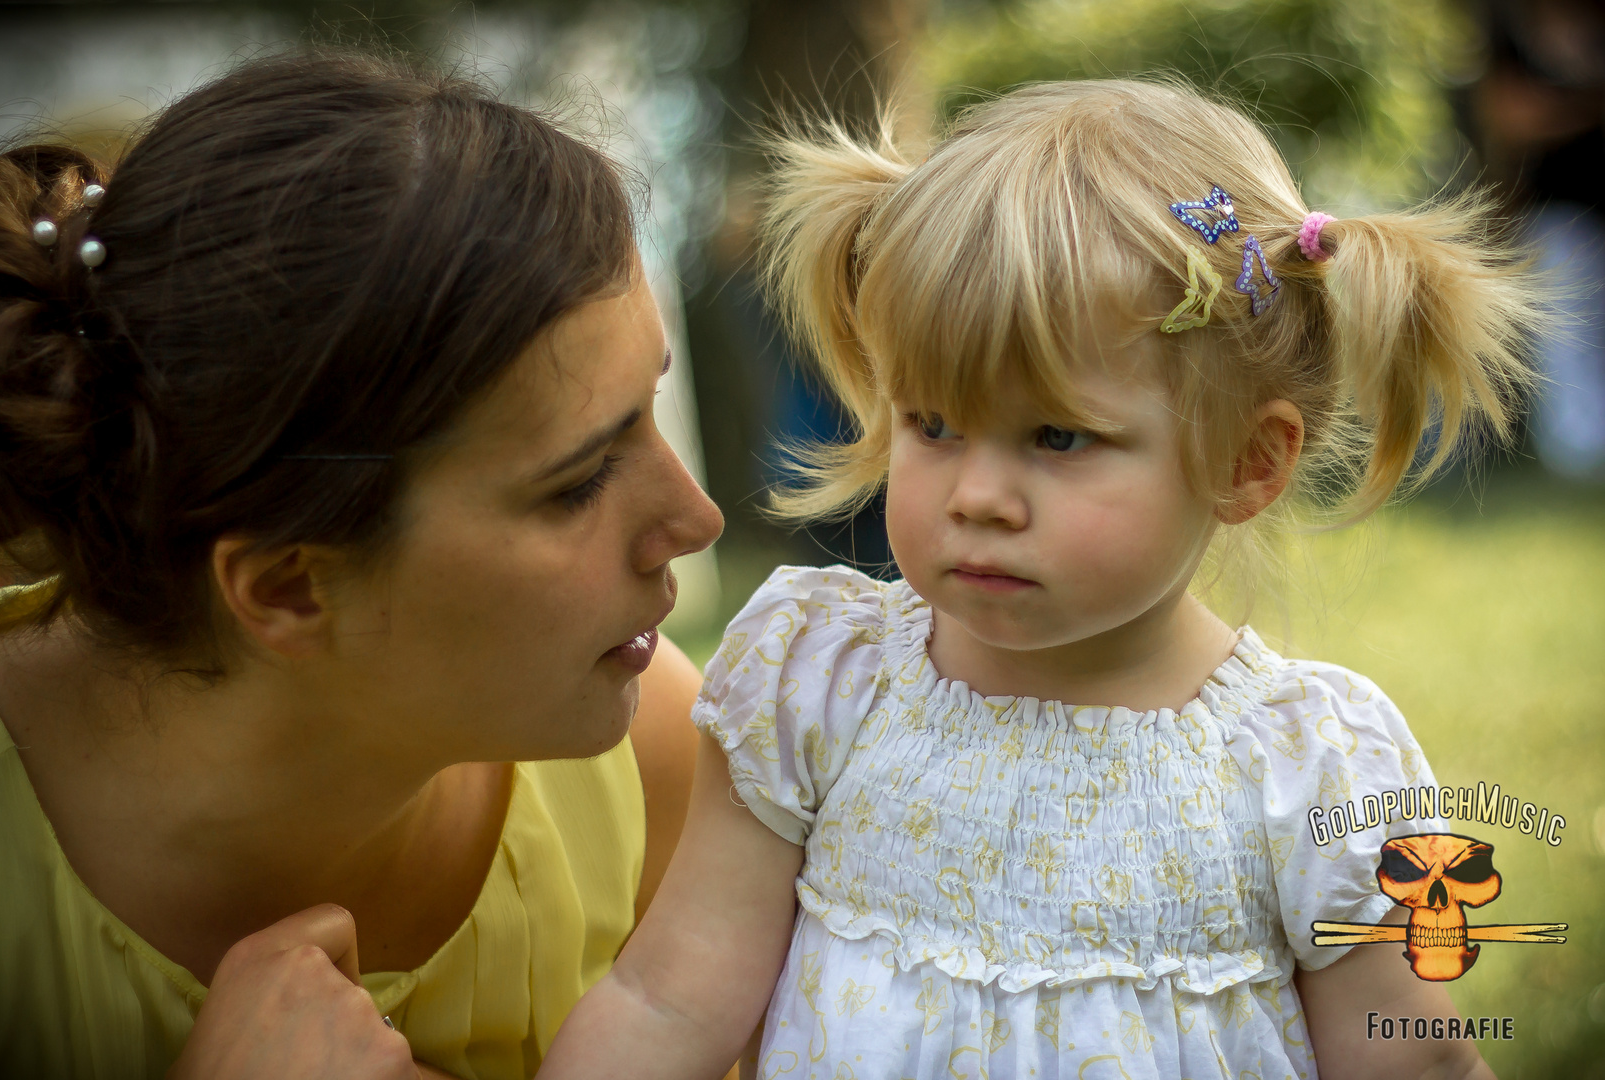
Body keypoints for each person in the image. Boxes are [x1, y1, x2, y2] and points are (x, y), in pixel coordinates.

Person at [536, 80, 1540, 1079]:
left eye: (1055, 436)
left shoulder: (1300, 764)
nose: (975, 495)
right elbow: (667, 998)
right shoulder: (822, 684)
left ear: (1247, 461)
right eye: (930, 423)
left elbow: (1414, 1061)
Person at [0, 51, 722, 1079]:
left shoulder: (657, 771)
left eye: (648, 406)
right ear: (288, 587)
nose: (694, 516)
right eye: (576, 482)